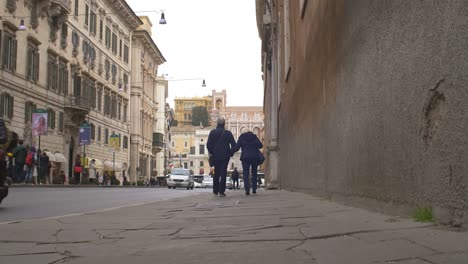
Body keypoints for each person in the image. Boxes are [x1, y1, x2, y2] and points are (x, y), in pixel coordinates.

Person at [207, 118, 236, 197]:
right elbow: (234, 145)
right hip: (225, 156)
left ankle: (215, 190)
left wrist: (213, 153)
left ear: (217, 123)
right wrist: (230, 152)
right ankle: (221, 191)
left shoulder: (212, 132)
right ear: (224, 124)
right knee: (223, 173)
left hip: (216, 156)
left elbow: (208, 145)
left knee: (216, 173)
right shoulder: (228, 133)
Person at [232, 128, 263, 195]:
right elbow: (260, 146)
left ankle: (247, 190)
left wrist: (230, 151)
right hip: (255, 157)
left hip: (245, 157)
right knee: (254, 172)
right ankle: (254, 189)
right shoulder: (254, 137)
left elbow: (237, 148)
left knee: (245, 173)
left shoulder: (241, 137)